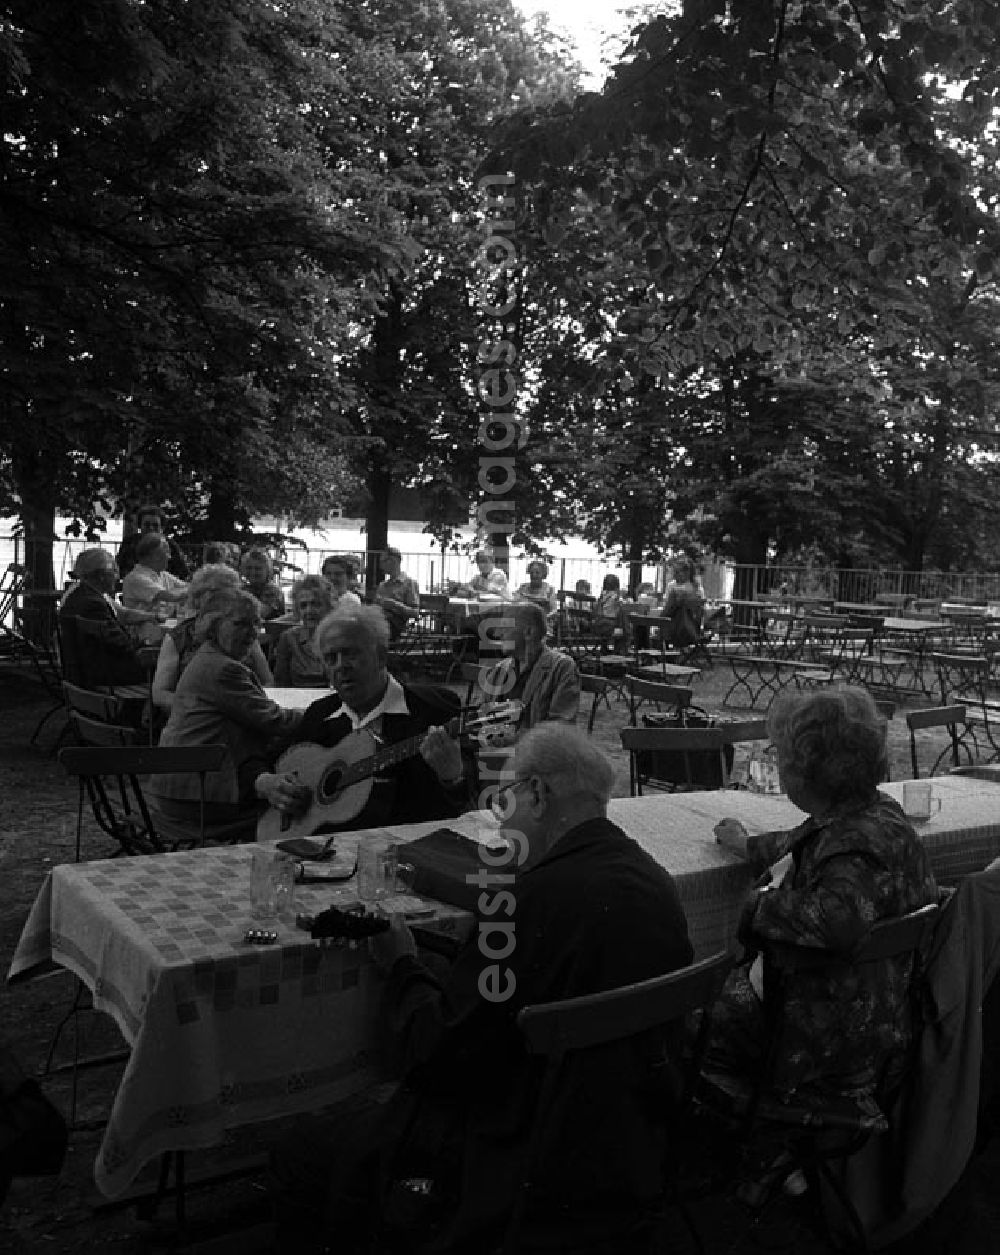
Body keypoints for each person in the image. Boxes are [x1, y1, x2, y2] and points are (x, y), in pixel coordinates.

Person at [268, 724, 693, 1254]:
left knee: (300, 1145)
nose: (499, 818)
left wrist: (403, 964)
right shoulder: (657, 882)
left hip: (514, 1151)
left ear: (537, 794)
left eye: (504, 800)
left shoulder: (524, 902)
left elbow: (437, 1057)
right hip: (624, 1141)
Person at [709, 686, 939, 1096]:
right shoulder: (878, 813)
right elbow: (807, 840)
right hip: (880, 1022)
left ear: (806, 769)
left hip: (818, 1038)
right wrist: (746, 845)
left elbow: (839, 919)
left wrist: (755, 904)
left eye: (780, 754)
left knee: (673, 1013)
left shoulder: (853, 845)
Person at [255, 602, 475, 831]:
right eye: (331, 658)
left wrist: (453, 778)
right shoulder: (321, 714)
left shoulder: (433, 710)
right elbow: (264, 758)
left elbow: (471, 799)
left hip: (412, 849)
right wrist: (267, 783)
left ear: (381, 656)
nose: (341, 666)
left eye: (351, 654)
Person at [145, 588, 301, 831]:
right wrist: (321, 713)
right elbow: (276, 721)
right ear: (213, 625)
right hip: (198, 793)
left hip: (178, 785)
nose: (251, 633)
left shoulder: (207, 657)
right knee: (298, 799)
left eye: (255, 625)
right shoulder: (223, 668)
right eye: (240, 624)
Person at [151, 564, 272, 711]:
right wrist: (203, 707)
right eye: (215, 592)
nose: (222, 599)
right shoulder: (178, 637)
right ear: (197, 597)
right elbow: (160, 694)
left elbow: (267, 680)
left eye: (229, 593)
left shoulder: (243, 631)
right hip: (194, 716)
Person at [477, 600, 580, 738]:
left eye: (505, 627)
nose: (497, 634)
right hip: (497, 751)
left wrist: (514, 738)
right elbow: (479, 716)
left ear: (529, 633)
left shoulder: (561, 668)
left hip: (536, 756)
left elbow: (559, 730)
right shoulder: (499, 670)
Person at [58, 548, 149, 689]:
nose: (117, 577)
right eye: (114, 571)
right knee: (166, 669)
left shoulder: (78, 595)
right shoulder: (93, 604)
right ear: (101, 576)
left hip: (82, 672)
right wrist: (149, 645)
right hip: (103, 675)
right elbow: (122, 646)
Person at [272, 575, 332, 688]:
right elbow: (281, 683)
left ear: (328, 607)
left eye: (316, 604)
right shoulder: (288, 638)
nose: (309, 611)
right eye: (303, 606)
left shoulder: (340, 638)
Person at [116, 503, 191, 580]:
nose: (151, 528)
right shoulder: (129, 543)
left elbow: (184, 574)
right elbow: (118, 570)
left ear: (161, 527)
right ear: (140, 526)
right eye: (147, 525)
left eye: (155, 525)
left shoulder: (170, 545)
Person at [120, 534, 189, 612]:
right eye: (167, 552)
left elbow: (188, 587)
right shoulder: (135, 578)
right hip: (143, 623)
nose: (170, 557)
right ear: (155, 555)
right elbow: (171, 596)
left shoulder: (162, 574)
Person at [372, 546, 419, 641]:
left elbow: (415, 612)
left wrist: (394, 605)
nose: (380, 565)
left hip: (394, 625)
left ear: (394, 561)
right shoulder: (383, 585)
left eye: (383, 561)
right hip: (379, 621)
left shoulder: (409, 583)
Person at [660, 558, 706, 649]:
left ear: (687, 573)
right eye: (674, 572)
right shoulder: (697, 588)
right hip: (692, 629)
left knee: (646, 622)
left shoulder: (676, 589)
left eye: (677, 572)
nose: (674, 575)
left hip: (678, 628)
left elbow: (667, 610)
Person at [240, 548, 286, 620]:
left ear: (267, 570)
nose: (253, 572)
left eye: (258, 568)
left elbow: (262, 613)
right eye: (249, 568)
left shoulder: (273, 591)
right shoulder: (244, 588)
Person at [592, 572, 625, 644]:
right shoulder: (616, 596)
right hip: (610, 624)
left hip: (597, 624)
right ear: (617, 585)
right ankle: (620, 648)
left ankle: (604, 647)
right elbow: (620, 608)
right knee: (625, 626)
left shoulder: (602, 595)